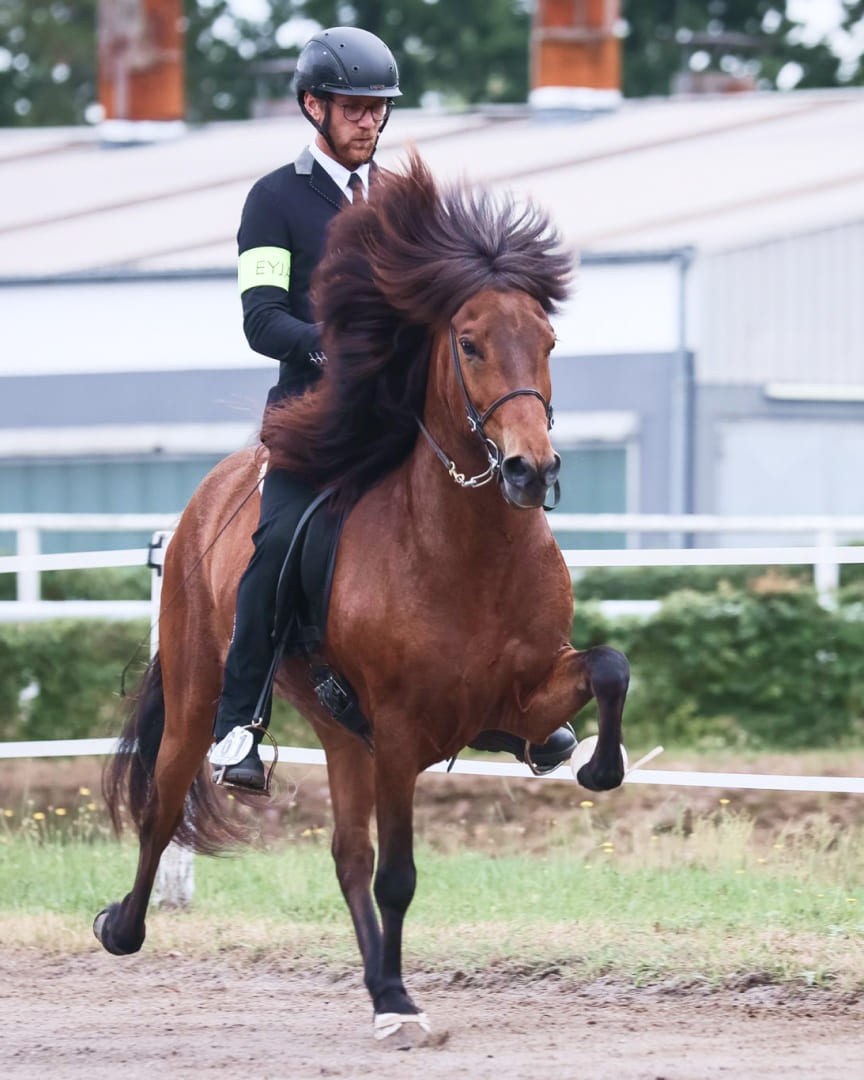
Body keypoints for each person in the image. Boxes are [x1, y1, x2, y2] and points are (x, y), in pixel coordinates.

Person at [211, 26, 576, 793]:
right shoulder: (274, 200)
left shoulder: (410, 208)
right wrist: (337, 346)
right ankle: (239, 720)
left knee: (502, 517)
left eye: (378, 110)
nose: (368, 122)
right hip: (318, 418)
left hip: (409, 421)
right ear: (313, 106)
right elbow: (260, 319)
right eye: (352, 108)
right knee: (275, 542)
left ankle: (526, 693)